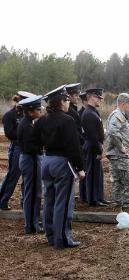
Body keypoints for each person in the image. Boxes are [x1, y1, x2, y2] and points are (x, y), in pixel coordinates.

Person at [34, 85, 85, 249]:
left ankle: (50, 236)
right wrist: (80, 167)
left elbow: (35, 140)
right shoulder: (67, 120)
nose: (68, 103)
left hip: (46, 160)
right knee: (63, 202)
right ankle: (62, 239)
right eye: (67, 100)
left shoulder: (42, 119)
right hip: (62, 162)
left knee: (49, 200)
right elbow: (73, 147)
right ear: (61, 102)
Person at [0, 91, 35, 210]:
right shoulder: (10, 115)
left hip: (27, 147)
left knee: (27, 177)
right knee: (13, 176)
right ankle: (2, 200)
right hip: (17, 148)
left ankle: (24, 202)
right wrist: (24, 134)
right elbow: (9, 133)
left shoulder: (26, 115)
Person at [105, 93, 129, 214]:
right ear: (123, 104)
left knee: (119, 183)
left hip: (119, 156)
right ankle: (127, 210)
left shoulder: (120, 115)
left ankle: (121, 211)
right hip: (121, 156)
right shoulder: (117, 115)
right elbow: (113, 132)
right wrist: (121, 147)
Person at [17, 95, 43, 234]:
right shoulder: (26, 126)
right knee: (32, 193)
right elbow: (31, 148)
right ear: (30, 111)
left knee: (34, 193)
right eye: (38, 109)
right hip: (30, 160)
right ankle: (31, 225)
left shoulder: (28, 123)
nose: (40, 112)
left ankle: (33, 222)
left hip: (30, 159)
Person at [81, 88, 107, 207]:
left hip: (95, 146)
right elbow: (92, 136)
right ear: (91, 97)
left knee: (97, 173)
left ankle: (98, 197)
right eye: (98, 98)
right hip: (92, 147)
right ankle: (93, 199)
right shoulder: (88, 113)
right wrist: (99, 150)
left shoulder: (93, 111)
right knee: (92, 173)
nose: (100, 100)